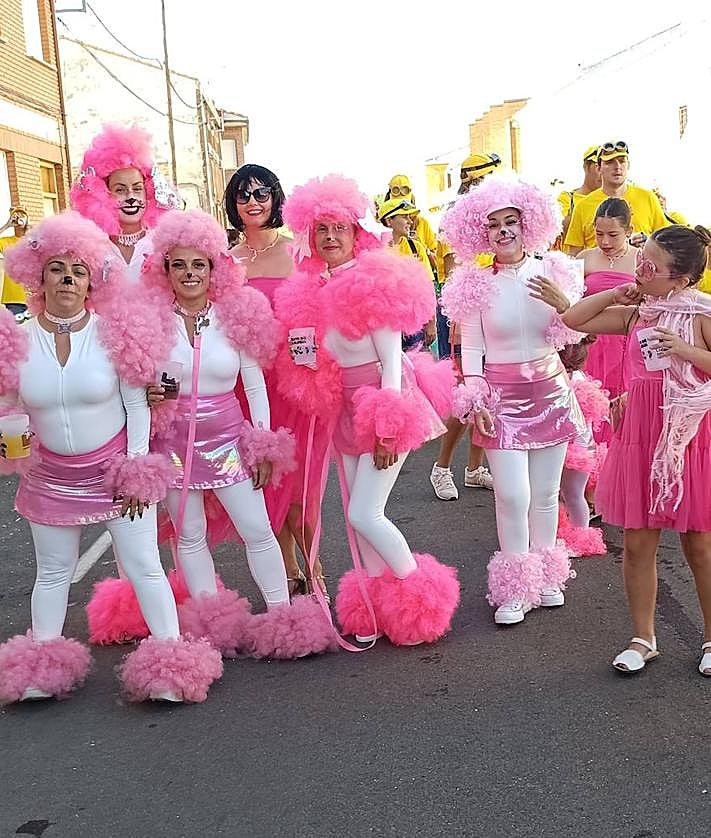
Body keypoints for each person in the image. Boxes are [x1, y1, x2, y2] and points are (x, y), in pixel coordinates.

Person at [0, 212, 222, 704]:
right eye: (57, 269)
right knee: (53, 571)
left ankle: (171, 667)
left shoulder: (113, 333)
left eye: (78, 271)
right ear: (39, 277)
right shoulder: (15, 339)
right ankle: (40, 670)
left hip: (115, 472)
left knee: (144, 565)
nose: (67, 279)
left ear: (91, 283)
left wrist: (136, 469)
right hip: (50, 477)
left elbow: (137, 404)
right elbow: (9, 404)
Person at [274, 174, 460, 647]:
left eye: (339, 227)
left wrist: (386, 427)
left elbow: (392, 361)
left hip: (383, 404)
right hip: (345, 410)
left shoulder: (372, 281)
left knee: (364, 514)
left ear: (355, 232)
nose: (330, 237)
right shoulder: (311, 289)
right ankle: (379, 611)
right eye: (321, 229)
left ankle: (420, 600)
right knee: (359, 525)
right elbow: (312, 357)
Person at [141, 209, 334, 660]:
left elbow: (255, 386)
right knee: (189, 535)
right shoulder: (151, 322)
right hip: (173, 445)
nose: (190, 273)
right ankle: (211, 625)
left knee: (258, 529)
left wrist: (262, 444)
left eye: (199, 264)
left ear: (214, 268)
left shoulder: (236, 316)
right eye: (179, 264)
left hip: (227, 442)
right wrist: (147, 393)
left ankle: (284, 618)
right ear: (166, 270)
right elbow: (137, 381)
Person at [563, 224, 711, 676]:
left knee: (699, 544)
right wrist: (615, 294)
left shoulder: (701, 314)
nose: (640, 268)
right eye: (641, 258)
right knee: (637, 541)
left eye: (650, 265)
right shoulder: (638, 314)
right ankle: (643, 638)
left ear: (680, 278)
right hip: (641, 436)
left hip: (689, 438)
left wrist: (684, 349)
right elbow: (574, 320)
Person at [441, 176, 585, 625]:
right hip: (501, 399)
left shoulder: (554, 271)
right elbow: (471, 349)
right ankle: (515, 588)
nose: (503, 231)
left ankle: (546, 577)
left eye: (512, 221)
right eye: (494, 224)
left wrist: (565, 304)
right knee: (511, 494)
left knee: (544, 494)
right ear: (481, 232)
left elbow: (573, 335)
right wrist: (476, 397)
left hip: (551, 392)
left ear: (528, 224)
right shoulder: (474, 284)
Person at [224, 163, 331, 602]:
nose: (252, 202)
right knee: (267, 484)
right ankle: (288, 573)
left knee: (300, 488)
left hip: (293, 383)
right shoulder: (226, 261)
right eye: (243, 195)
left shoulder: (297, 252)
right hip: (245, 388)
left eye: (261, 193)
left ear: (275, 198)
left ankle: (315, 572)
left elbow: (319, 313)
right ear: (233, 203)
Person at [430, 152, 502, 501]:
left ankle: (475, 469)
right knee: (466, 397)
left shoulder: (499, 214)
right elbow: (451, 273)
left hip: (498, 311)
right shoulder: (455, 219)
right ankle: (441, 467)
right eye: (486, 177)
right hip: (468, 312)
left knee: (493, 394)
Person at [70, 124, 180, 282]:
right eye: (120, 190)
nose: (131, 197)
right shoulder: (90, 248)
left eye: (137, 189)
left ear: (148, 192)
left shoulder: (164, 246)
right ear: (103, 195)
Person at [580, 198, 639, 444]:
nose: (605, 242)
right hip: (591, 343)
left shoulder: (642, 259)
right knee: (590, 406)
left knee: (627, 409)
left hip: (628, 343)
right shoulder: (585, 258)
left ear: (629, 231)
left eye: (613, 235)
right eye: (599, 234)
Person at [564, 141, 669, 256]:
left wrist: (646, 242)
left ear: (628, 165)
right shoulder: (583, 206)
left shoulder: (648, 198)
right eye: (609, 162)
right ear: (598, 168)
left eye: (622, 161)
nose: (617, 167)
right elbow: (573, 254)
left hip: (640, 266)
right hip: (599, 267)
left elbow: (666, 242)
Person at [557, 337, 608, 557]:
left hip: (576, 451)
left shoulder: (576, 384)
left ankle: (580, 539)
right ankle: (568, 534)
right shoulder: (577, 379)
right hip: (577, 449)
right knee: (567, 495)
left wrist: (576, 453)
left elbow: (582, 427)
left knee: (572, 494)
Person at [377, 197, 437, 349]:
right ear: (389, 221)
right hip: (384, 325)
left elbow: (428, 285)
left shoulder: (415, 247)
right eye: (404, 217)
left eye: (410, 217)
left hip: (414, 323)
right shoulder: (375, 250)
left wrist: (431, 323)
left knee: (415, 362)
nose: (410, 222)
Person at [556, 145, 601, 246]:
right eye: (598, 166)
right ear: (586, 167)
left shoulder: (613, 200)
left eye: (606, 166)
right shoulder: (567, 198)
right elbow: (557, 228)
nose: (603, 172)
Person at [0, 207, 30, 321]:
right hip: (12, 298)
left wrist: (30, 227)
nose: (19, 218)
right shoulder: (6, 242)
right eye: (16, 215)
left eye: (22, 215)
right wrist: (7, 225)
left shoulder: (32, 241)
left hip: (33, 297)